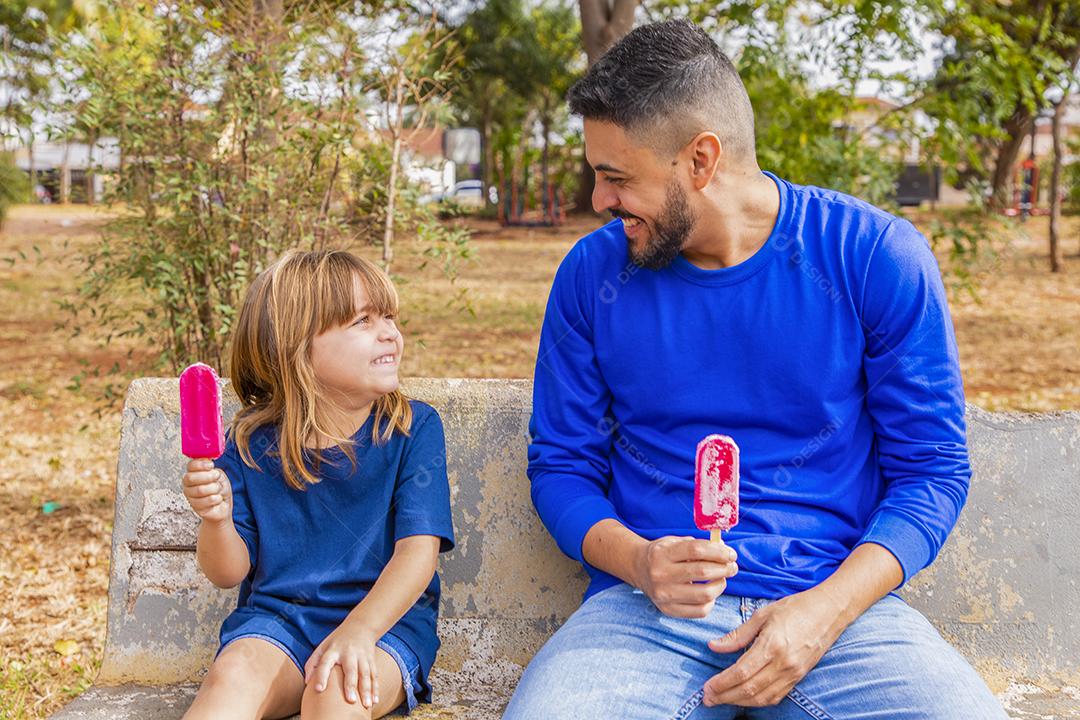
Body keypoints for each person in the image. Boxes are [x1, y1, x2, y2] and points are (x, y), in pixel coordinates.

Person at [504, 19, 1008, 720]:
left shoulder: (874, 256)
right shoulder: (593, 276)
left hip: (837, 611)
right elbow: (562, 466)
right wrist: (639, 562)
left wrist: (824, 614)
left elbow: (933, 471)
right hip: (643, 617)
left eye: (616, 177)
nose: (600, 202)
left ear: (701, 161)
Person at [180, 250, 455, 719]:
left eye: (389, 316)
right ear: (296, 348)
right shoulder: (248, 443)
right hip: (278, 625)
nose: (389, 332)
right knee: (232, 678)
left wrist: (358, 632)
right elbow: (227, 572)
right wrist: (216, 519)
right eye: (363, 321)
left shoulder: (413, 429)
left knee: (335, 694)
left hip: (384, 628)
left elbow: (418, 556)